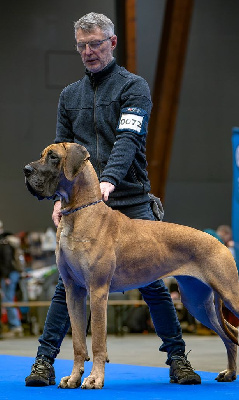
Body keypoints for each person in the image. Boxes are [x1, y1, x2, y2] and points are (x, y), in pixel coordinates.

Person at [25, 12, 201, 387]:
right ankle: (44, 361)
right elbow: (61, 151)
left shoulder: (133, 87)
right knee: (67, 282)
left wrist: (108, 182)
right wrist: (60, 196)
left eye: (96, 44)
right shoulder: (69, 95)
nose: (89, 52)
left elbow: (128, 140)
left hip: (130, 197)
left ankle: (178, 359)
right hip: (80, 204)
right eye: (82, 45)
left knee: (153, 282)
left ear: (113, 43)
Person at [0, 221, 24, 338]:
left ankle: (15, 326)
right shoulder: (8, 240)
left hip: (9, 275)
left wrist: (6, 276)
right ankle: (15, 326)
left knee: (8, 300)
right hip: (11, 274)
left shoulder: (3, 242)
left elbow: (6, 260)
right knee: (8, 299)